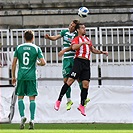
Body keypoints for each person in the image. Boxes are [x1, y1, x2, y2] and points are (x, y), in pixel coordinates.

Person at [54, 23, 108, 116]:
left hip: (86, 63)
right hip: (78, 61)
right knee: (69, 81)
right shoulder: (76, 39)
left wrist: (102, 52)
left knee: (86, 85)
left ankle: (82, 105)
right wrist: (82, 43)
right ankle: (59, 100)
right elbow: (74, 47)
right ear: (78, 30)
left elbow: (92, 49)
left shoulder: (87, 39)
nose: (84, 29)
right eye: (82, 28)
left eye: (84, 28)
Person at [44, 20, 90, 111]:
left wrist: (65, 50)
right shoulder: (64, 32)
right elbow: (55, 37)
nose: (70, 27)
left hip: (74, 58)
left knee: (78, 79)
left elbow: (75, 46)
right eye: (70, 25)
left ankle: (84, 99)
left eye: (73, 26)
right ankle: (69, 100)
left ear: (76, 28)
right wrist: (49, 37)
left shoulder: (77, 36)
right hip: (66, 59)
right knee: (66, 80)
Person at [12, 30, 46, 129]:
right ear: (33, 38)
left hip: (21, 75)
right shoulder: (36, 48)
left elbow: (14, 63)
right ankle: (32, 119)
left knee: (20, 97)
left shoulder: (19, 48)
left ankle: (22, 117)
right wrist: (37, 63)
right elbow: (43, 62)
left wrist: (13, 76)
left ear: (24, 37)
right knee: (32, 98)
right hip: (32, 76)